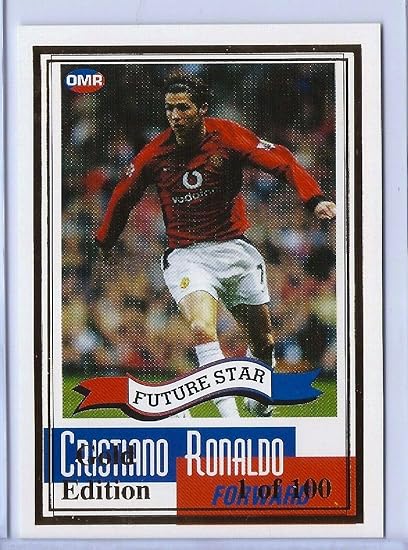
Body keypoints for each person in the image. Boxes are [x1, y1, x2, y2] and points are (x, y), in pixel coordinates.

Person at [95, 72, 336, 418]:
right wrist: (105, 238)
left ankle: (258, 397)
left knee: (264, 341)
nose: (175, 116)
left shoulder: (228, 136)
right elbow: (123, 195)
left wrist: (314, 198)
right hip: (186, 255)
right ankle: (230, 420)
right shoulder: (155, 153)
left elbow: (282, 161)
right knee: (201, 327)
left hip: (234, 250)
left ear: (202, 108)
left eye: (183, 108)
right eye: (169, 109)